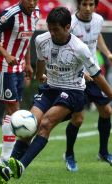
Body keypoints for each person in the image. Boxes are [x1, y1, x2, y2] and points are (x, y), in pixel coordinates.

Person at [0, 7, 112, 184]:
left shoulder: (80, 48)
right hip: (50, 89)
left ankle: (21, 166)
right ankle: (8, 167)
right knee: (29, 124)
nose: (52, 33)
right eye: (50, 28)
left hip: (73, 92)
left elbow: (97, 77)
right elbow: (40, 61)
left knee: (45, 123)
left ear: (67, 27)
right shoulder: (41, 40)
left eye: (56, 29)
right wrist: (40, 76)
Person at [0, 0, 40, 166]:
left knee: (11, 113)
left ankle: (6, 157)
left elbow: (26, 40)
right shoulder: (10, 14)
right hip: (3, 68)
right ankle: (7, 158)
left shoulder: (36, 13)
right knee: (14, 110)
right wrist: (6, 54)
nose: (32, 3)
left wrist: (29, 63)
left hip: (19, 68)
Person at [63, 0, 112, 172]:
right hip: (77, 76)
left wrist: (107, 53)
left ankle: (103, 152)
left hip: (94, 74)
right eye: (85, 4)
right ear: (79, 5)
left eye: (92, 4)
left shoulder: (98, 20)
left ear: (96, 6)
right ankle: (69, 155)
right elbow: (67, 50)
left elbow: (97, 36)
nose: (88, 8)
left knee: (106, 111)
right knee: (78, 119)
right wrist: (82, 73)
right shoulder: (71, 24)